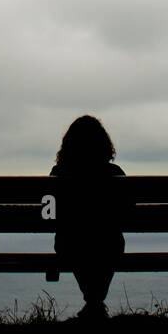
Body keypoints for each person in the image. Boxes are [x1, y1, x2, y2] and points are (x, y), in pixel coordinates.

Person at [49, 115, 127, 319]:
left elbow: (47, 212)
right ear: (103, 144)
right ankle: (95, 303)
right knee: (106, 244)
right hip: (108, 244)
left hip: (71, 245)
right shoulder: (115, 174)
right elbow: (128, 210)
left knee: (76, 243)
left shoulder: (59, 174)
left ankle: (93, 303)